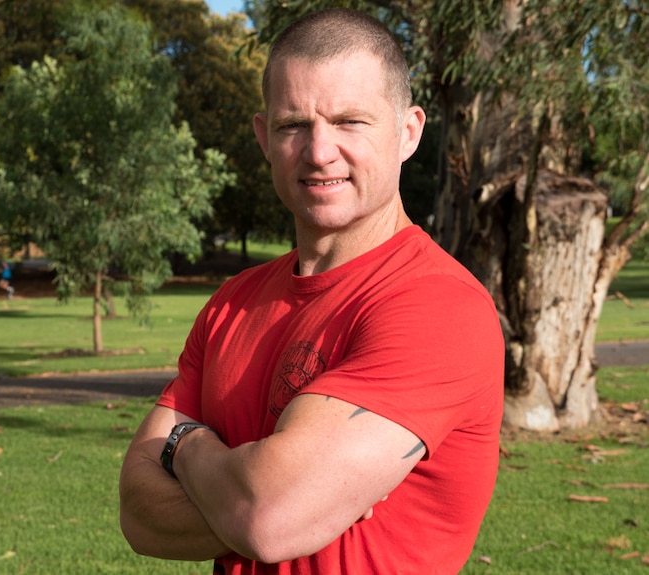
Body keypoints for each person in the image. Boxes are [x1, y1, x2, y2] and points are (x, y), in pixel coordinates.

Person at [118, 7, 504, 574]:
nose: (319, 151)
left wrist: (185, 445)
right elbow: (139, 514)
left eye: (351, 121)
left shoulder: (439, 306)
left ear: (408, 132)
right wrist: (267, 497)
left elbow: (269, 519)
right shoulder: (233, 302)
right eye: (293, 124)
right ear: (263, 137)